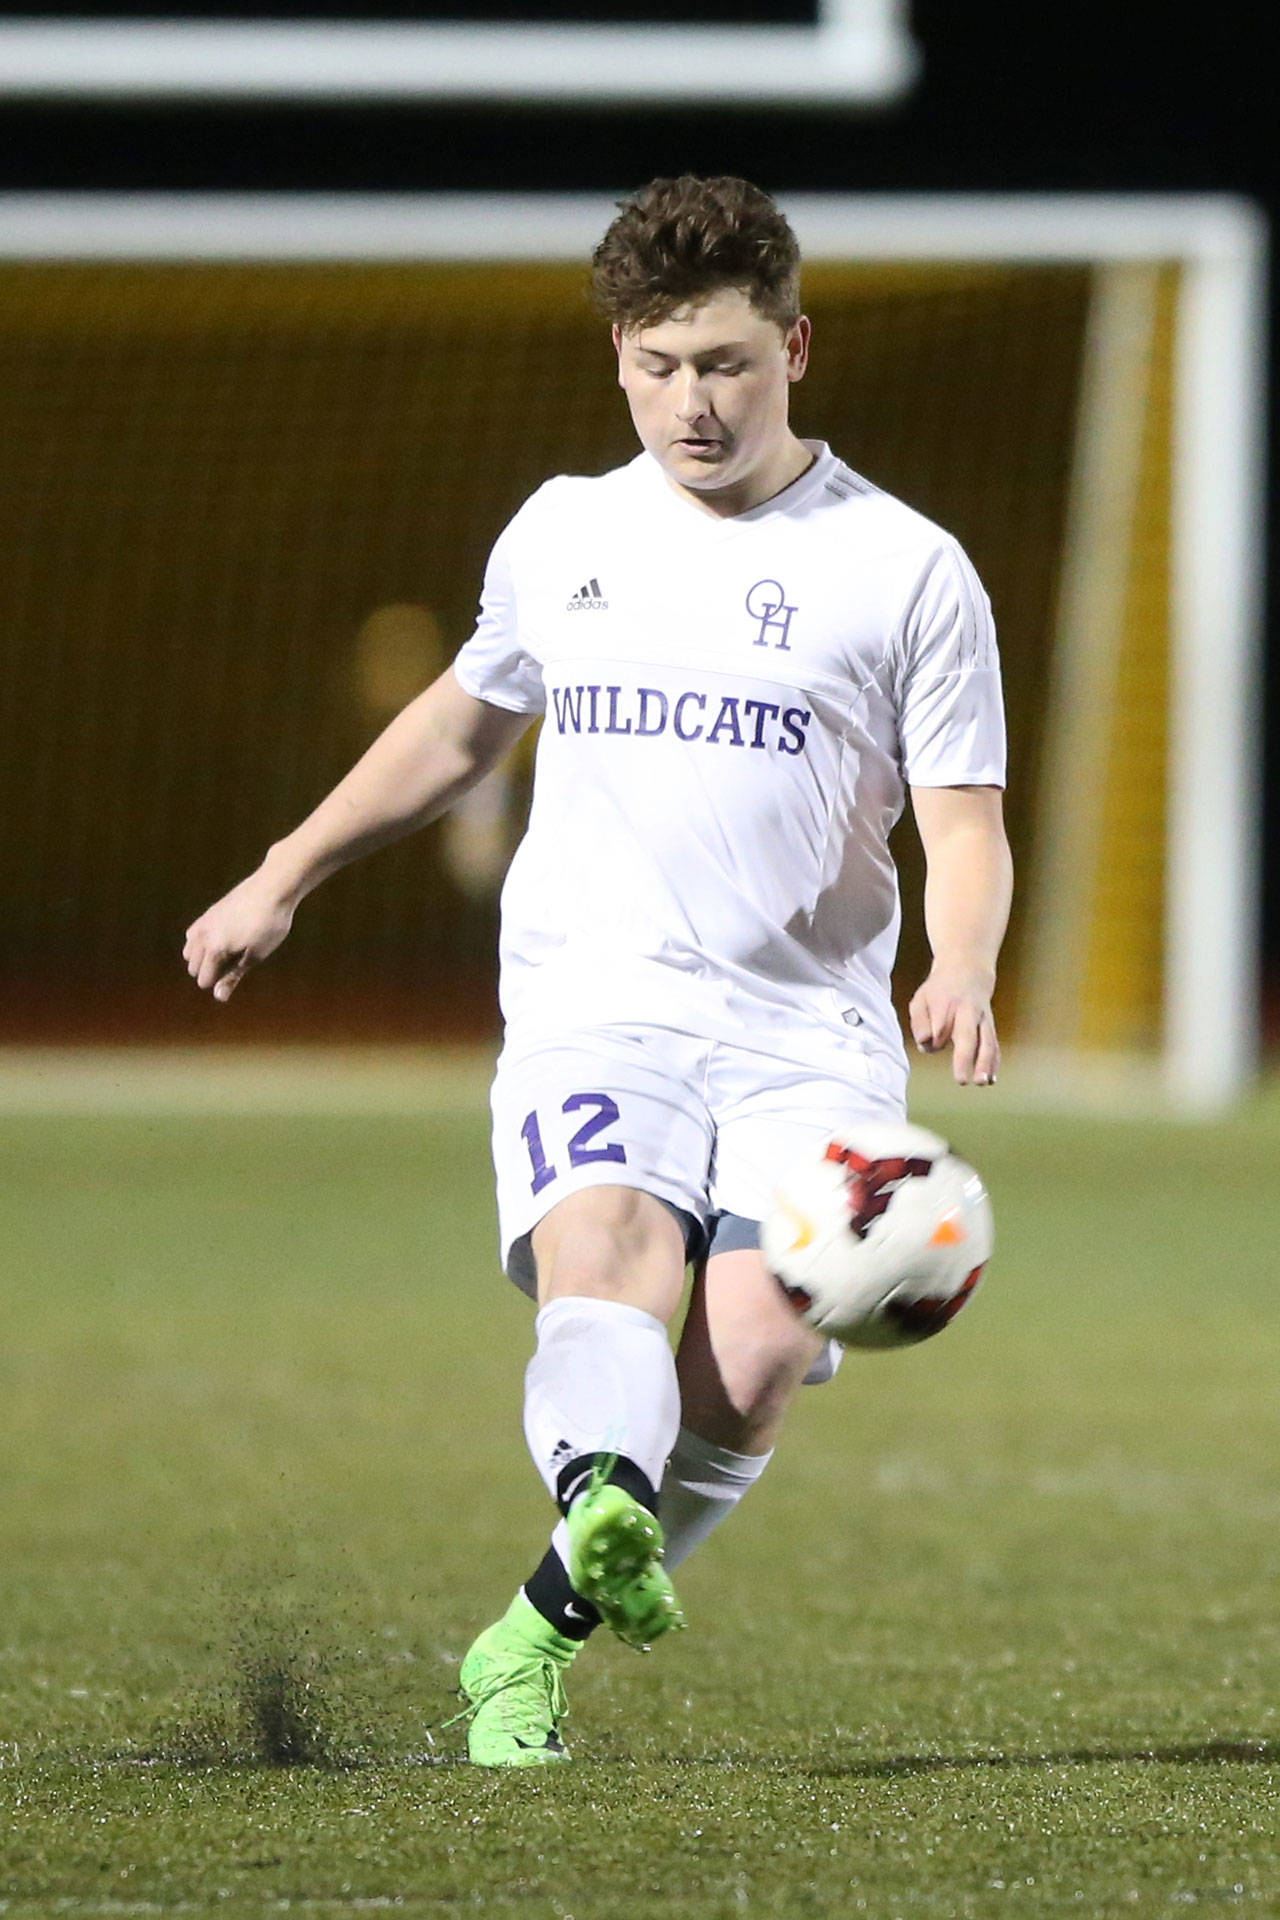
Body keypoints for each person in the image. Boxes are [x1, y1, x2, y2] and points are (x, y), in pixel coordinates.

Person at [184, 174, 1012, 1768]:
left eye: (726, 364)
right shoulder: (565, 529)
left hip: (808, 1033)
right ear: (618, 357)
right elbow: (461, 725)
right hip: (600, 1002)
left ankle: (534, 1625)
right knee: (610, 1258)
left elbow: (964, 820)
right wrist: (285, 871)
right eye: (657, 365)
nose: (692, 404)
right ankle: (591, 1531)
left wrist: (960, 961)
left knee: (756, 1357)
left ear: (794, 349)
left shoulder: (906, 567)